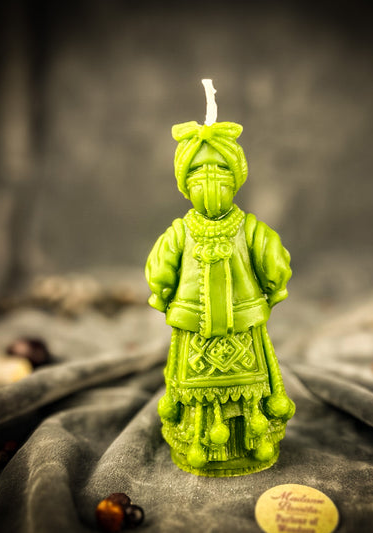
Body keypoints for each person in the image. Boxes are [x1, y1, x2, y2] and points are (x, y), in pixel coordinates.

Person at [145, 120, 295, 476]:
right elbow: (276, 271)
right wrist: (271, 294)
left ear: (235, 180)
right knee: (227, 388)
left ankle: (239, 444)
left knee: (243, 388)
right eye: (200, 177)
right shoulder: (187, 232)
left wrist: (163, 297)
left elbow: (159, 275)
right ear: (186, 186)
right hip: (219, 329)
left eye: (220, 174)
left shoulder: (246, 230)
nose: (210, 185)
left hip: (230, 329)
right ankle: (221, 445)